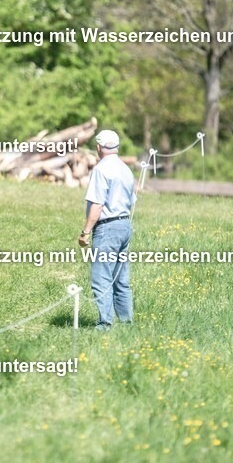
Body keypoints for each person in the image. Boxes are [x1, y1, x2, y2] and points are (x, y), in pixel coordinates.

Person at [78, 130, 137, 331]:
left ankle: (105, 323)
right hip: (124, 225)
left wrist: (86, 231)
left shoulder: (101, 169)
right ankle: (127, 323)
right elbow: (132, 201)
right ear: (117, 147)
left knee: (101, 277)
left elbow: (97, 204)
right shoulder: (126, 170)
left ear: (98, 148)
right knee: (121, 277)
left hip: (107, 227)